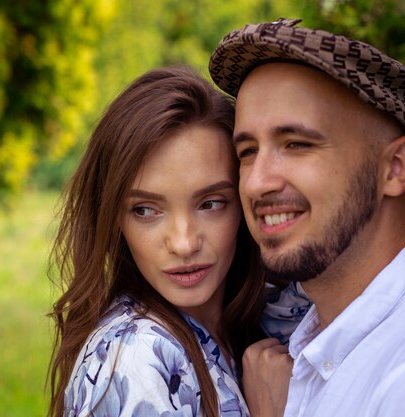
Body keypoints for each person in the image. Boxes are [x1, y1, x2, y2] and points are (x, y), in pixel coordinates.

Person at [208, 18, 405, 417]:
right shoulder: (322, 347)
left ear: (395, 168)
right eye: (247, 151)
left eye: (297, 144)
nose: (255, 183)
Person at [47, 65, 310, 417]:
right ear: (113, 220)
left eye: (211, 204)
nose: (184, 244)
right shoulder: (140, 359)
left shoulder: (267, 312)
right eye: (145, 210)